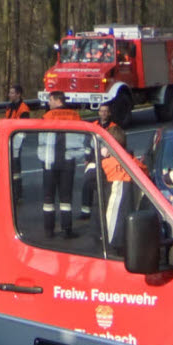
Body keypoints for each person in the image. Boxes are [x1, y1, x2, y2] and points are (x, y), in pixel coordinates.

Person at [39, 91, 84, 238]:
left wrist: (43, 158)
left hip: (50, 161)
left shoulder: (47, 116)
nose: (48, 103)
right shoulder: (74, 116)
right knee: (66, 198)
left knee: (48, 198)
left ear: (57, 100)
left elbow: (42, 140)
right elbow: (81, 138)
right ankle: (67, 229)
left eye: (50, 100)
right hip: (68, 161)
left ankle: (48, 230)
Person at [80, 103, 116, 219]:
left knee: (107, 185)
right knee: (87, 183)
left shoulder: (114, 127)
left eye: (106, 111)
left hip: (108, 161)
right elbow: (87, 144)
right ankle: (86, 211)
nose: (103, 113)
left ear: (109, 113)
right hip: (94, 160)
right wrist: (87, 159)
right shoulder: (93, 125)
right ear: (99, 112)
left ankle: (105, 209)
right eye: (101, 111)